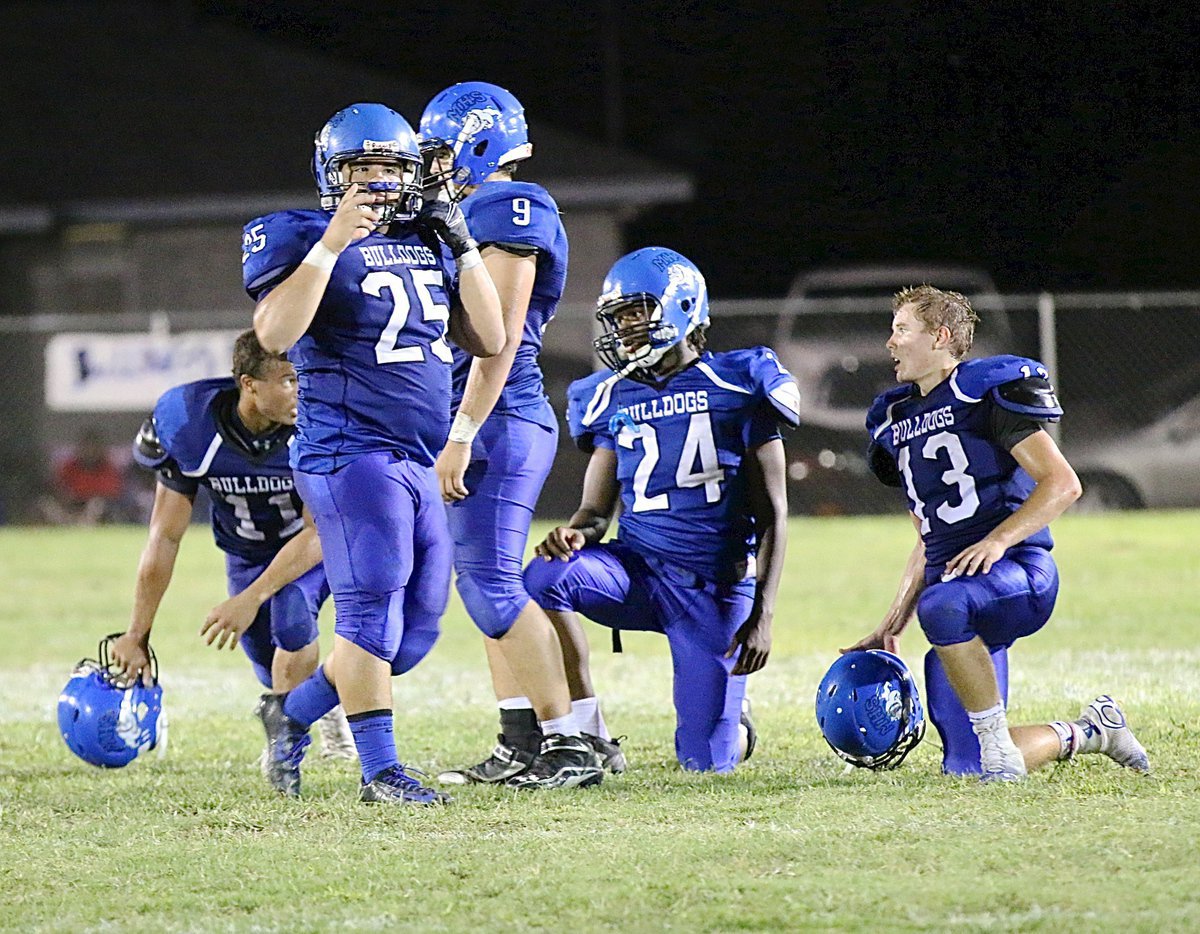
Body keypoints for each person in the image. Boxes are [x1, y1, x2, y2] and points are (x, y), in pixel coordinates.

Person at [247, 102, 504, 805]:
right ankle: (381, 773)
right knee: (369, 621)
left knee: (411, 637)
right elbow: (272, 333)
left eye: (389, 169)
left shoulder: (425, 234)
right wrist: (329, 244)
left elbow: (488, 336)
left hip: (416, 458)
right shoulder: (297, 232)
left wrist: (463, 242)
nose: (376, 182)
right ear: (332, 173)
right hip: (349, 452)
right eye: (360, 169)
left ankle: (289, 717)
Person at [842, 284, 1149, 781]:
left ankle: (996, 743)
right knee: (969, 767)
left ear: (940, 337)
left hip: (1017, 573)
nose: (890, 343)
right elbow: (929, 537)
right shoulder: (896, 420)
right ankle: (1092, 731)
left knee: (942, 606)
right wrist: (890, 623)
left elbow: (1063, 484)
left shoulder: (983, 393)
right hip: (957, 589)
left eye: (902, 330)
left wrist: (998, 540)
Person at [522, 247, 798, 773]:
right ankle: (588, 733)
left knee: (705, 763)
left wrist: (763, 614)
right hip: (637, 574)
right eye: (617, 317)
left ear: (682, 307)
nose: (624, 328)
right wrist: (577, 534)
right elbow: (593, 511)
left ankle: (734, 725)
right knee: (543, 576)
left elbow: (774, 515)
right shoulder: (608, 397)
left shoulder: (740, 384)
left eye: (635, 312)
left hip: (713, 590)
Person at [418, 81, 614, 790]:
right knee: (481, 585)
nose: (430, 167)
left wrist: (462, 431)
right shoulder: (464, 211)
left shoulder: (507, 208)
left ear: (477, 141)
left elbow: (495, 340)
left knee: (496, 585)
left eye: (441, 151)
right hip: (475, 417)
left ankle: (572, 744)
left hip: (498, 415)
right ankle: (520, 740)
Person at [110, 330, 353, 776]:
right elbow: (164, 538)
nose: (299, 392)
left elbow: (318, 533)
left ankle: (287, 744)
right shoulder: (190, 425)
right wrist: (136, 634)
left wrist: (252, 597)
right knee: (264, 658)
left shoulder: (318, 421)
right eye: (286, 380)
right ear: (248, 384)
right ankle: (321, 702)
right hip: (245, 553)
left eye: (302, 379)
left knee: (292, 612)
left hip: (309, 550)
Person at [38, 431, 125, 525]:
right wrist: (66, 496)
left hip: (91, 509)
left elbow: (111, 493)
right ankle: (65, 524)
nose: (90, 452)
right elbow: (58, 487)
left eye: (93, 448)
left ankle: (84, 525)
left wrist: (85, 495)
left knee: (97, 505)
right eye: (86, 447)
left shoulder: (108, 467)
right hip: (69, 508)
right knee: (44, 505)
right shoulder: (69, 467)